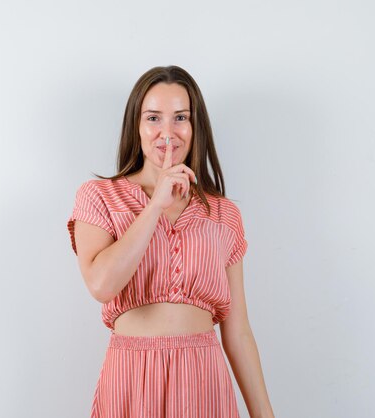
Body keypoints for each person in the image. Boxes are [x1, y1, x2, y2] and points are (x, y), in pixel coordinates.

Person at [67, 65, 274, 418]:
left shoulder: (223, 215)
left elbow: (238, 331)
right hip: (131, 379)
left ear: (196, 128)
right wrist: (155, 205)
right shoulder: (100, 196)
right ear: (137, 126)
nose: (167, 132)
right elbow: (101, 284)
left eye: (180, 117)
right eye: (153, 118)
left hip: (203, 379)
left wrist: (265, 415)